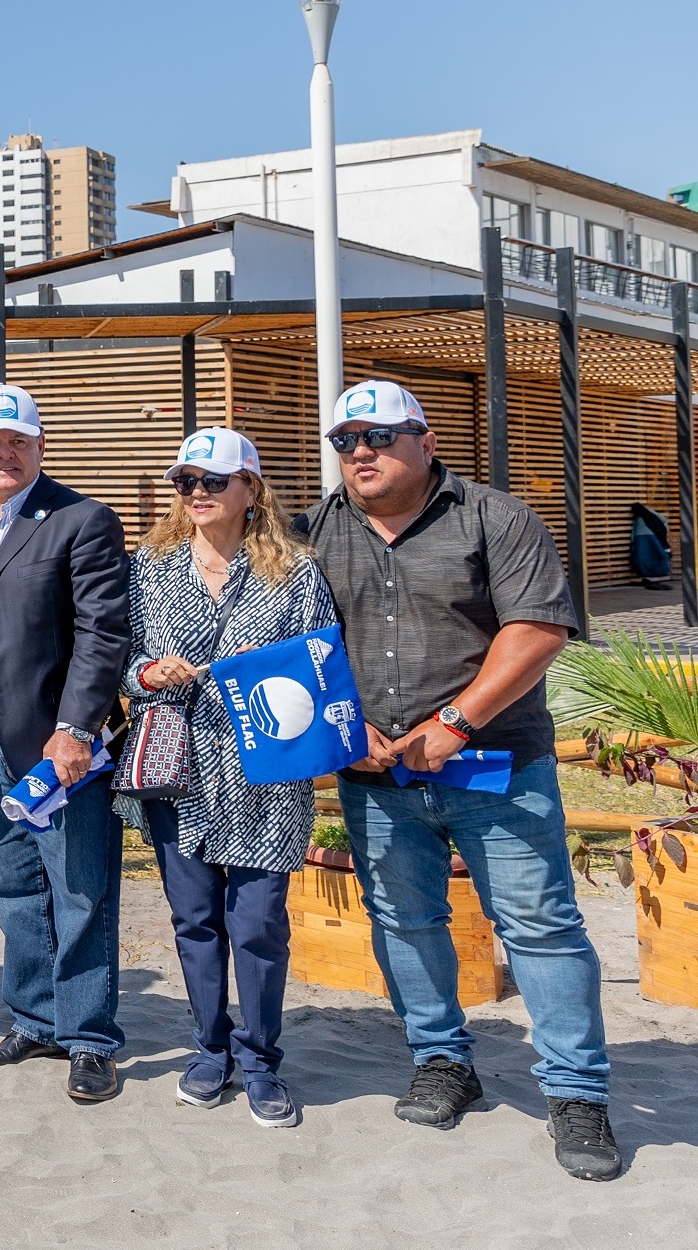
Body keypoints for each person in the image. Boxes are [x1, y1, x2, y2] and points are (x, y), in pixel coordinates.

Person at [302, 379, 618, 1180]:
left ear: (426, 439)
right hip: (378, 776)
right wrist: (345, 727)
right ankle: (442, 1060)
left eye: (378, 435)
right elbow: (292, 638)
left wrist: (456, 723)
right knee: (404, 921)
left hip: (495, 768)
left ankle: (576, 1093)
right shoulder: (314, 530)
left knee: (539, 926)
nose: (361, 451)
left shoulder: (496, 518)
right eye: (345, 439)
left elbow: (537, 628)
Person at [116, 427, 331, 1129]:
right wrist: (149, 672)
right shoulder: (149, 568)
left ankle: (261, 1059)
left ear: (250, 487)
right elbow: (121, 657)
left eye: (213, 480)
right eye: (187, 481)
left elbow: (320, 663)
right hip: (177, 772)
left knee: (259, 923)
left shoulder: (296, 573)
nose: (198, 492)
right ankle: (210, 1048)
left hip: (266, 776)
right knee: (195, 920)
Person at [0, 383, 130, 1104]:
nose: (5, 453)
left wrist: (75, 729)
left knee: (79, 886)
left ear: (41, 445)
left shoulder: (82, 519)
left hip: (57, 744)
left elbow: (103, 632)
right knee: (8, 883)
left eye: (18, 441)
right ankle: (36, 1019)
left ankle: (90, 1038)